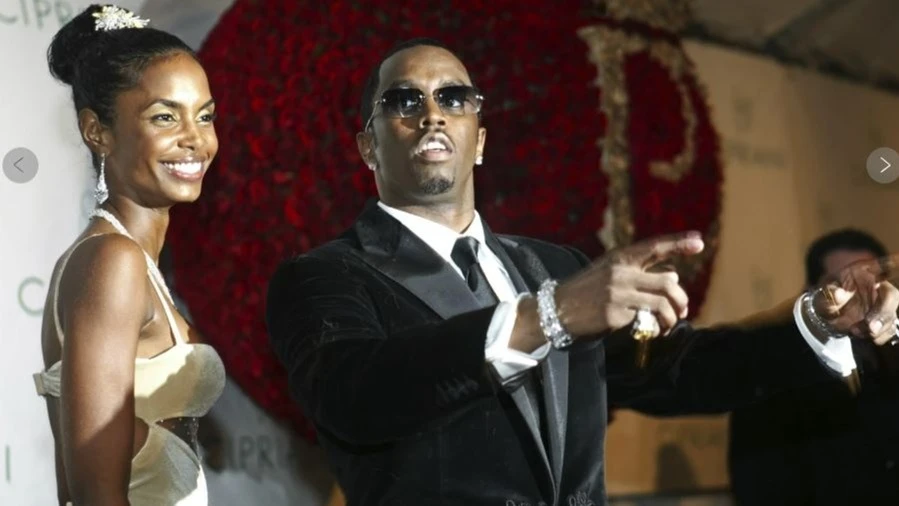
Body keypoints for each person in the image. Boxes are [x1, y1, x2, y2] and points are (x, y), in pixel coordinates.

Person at [265, 39, 899, 506]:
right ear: (368, 146)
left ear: (480, 139)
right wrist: (550, 315)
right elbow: (358, 396)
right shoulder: (323, 277)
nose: (433, 113)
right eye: (404, 100)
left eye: (454, 98)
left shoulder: (552, 267)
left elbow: (680, 374)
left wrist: (815, 319)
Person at [33, 5, 225, 505]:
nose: (195, 139)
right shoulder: (112, 261)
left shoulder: (130, 260)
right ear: (96, 131)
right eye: (165, 116)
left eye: (205, 115)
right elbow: (96, 496)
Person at [729, 229, 899, 505]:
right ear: (811, 292)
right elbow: (759, 485)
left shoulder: (890, 361)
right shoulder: (773, 379)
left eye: (871, 283)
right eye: (843, 285)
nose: (861, 298)